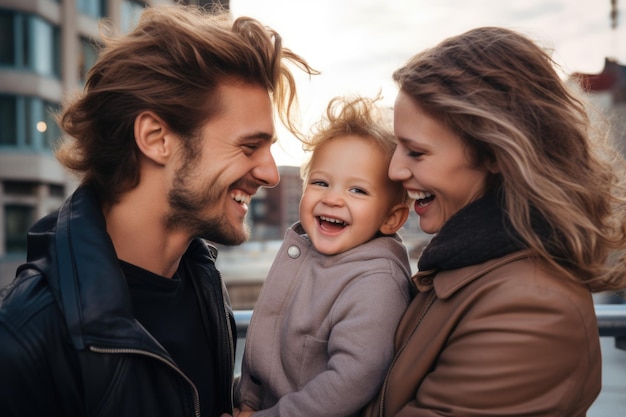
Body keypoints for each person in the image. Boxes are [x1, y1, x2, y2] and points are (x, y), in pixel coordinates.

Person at [0, 4, 315, 417]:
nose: (270, 173)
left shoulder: (204, 283)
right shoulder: (25, 336)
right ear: (155, 138)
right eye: (248, 146)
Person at [362, 26, 626, 417]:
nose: (395, 169)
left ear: (495, 155)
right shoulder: (468, 268)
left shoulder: (531, 311)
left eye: (416, 152)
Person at [235, 96, 413, 417]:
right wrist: (245, 399)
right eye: (320, 182)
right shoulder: (306, 256)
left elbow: (349, 383)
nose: (332, 198)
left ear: (392, 218)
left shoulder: (377, 283)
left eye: (357, 190)